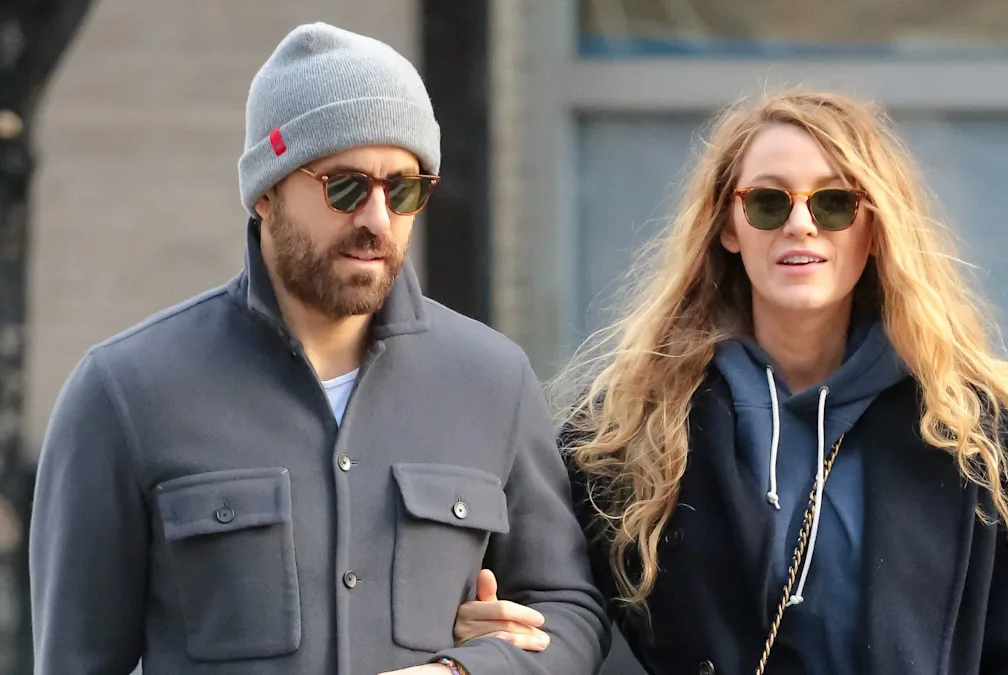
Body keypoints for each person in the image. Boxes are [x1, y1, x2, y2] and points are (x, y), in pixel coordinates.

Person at [452, 89, 1008, 674]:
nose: (801, 223)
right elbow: (554, 605)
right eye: (768, 201)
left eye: (834, 201)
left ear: (874, 227)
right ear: (729, 227)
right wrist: (496, 632)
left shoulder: (970, 433)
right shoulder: (631, 430)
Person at [29, 22, 608, 675]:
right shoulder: (123, 392)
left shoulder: (494, 381)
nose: (377, 219)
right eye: (345, 186)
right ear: (267, 191)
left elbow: (570, 613)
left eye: (405, 188)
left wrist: (468, 669)